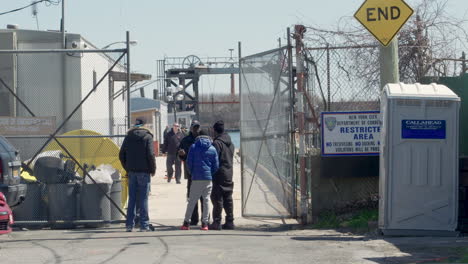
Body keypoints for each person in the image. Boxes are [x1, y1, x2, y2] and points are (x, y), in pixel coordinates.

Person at [119, 118, 156, 232]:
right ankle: (144, 225)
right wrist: (152, 169)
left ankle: (129, 224)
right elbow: (150, 154)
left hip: (132, 172)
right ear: (145, 126)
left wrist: (128, 167)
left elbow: (121, 154)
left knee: (132, 198)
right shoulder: (148, 136)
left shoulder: (128, 136)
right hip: (144, 172)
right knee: (143, 198)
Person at [181, 129, 218, 230]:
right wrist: (210, 173)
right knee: (206, 201)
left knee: (192, 201)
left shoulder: (193, 147)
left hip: (196, 178)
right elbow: (216, 166)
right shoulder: (212, 149)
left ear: (199, 136)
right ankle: (205, 224)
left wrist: (192, 173)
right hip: (208, 179)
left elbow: (189, 163)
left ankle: (186, 223)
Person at [210, 120, 235, 230]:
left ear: (215, 131)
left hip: (219, 173)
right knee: (228, 197)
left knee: (217, 198)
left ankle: (217, 222)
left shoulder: (217, 143)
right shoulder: (231, 143)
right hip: (229, 172)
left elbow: (214, 159)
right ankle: (230, 221)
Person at [178, 120, 203, 225]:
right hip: (190, 172)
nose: (196, 129)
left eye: (197, 127)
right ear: (191, 128)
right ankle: (194, 219)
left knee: (203, 197)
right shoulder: (185, 140)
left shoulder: (204, 139)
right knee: (192, 197)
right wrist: (181, 154)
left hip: (202, 172)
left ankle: (205, 219)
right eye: (194, 127)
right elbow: (180, 154)